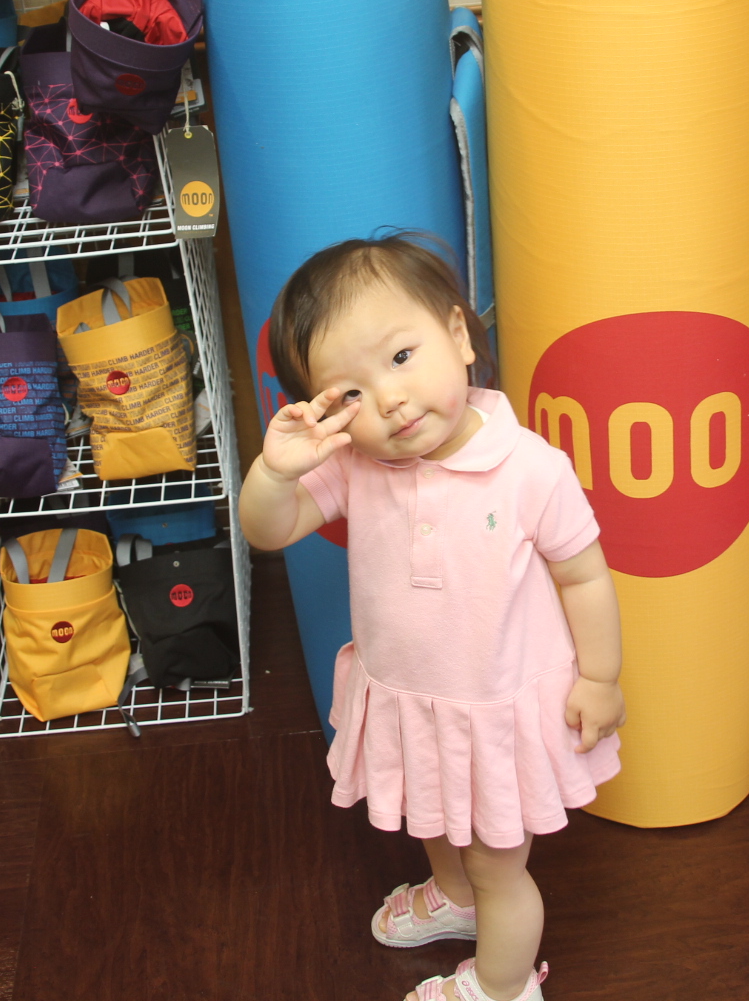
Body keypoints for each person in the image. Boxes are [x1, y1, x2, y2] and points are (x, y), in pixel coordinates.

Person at [239, 234, 625, 1001]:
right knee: (433, 817)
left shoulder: (529, 468)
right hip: (414, 702)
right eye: (350, 393)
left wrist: (601, 678)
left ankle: (503, 986)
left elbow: (584, 575)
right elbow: (268, 530)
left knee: (496, 864)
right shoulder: (356, 465)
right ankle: (454, 899)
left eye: (401, 357)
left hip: (496, 712)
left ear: (457, 334)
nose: (388, 399)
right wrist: (274, 473)